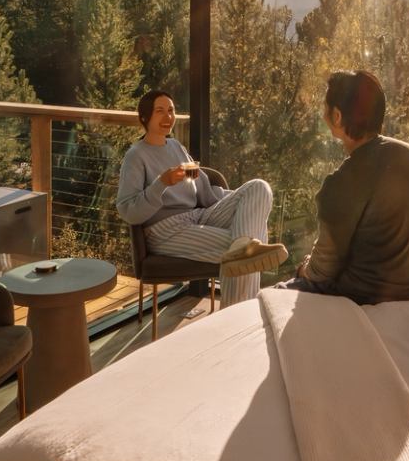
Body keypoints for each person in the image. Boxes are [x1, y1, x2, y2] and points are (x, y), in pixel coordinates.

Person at [115, 89, 286, 306]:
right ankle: (236, 320)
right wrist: (162, 183)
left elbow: (204, 189)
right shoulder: (135, 156)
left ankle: (242, 249)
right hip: (165, 230)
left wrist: (242, 200)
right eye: (160, 111)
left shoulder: (176, 146)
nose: (168, 117)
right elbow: (128, 210)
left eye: (171, 110)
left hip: (198, 217)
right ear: (144, 117)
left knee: (259, 187)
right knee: (244, 253)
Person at [292, 69, 409, 305]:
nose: (322, 116)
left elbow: (322, 271)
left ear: (337, 116)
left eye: (324, 109)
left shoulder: (342, 182)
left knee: (279, 293)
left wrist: (303, 270)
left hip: (366, 293)